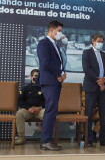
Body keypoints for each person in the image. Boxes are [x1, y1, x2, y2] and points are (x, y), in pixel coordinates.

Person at [36, 20, 67, 151]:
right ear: (51, 30)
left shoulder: (56, 45)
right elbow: (45, 62)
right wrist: (59, 72)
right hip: (49, 81)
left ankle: (47, 140)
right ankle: (45, 141)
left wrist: (61, 74)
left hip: (55, 81)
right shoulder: (44, 43)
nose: (61, 34)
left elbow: (58, 62)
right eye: (59, 31)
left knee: (52, 110)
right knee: (50, 110)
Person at [82, 33, 105, 147]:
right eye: (98, 41)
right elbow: (87, 69)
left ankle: (103, 139)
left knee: (104, 114)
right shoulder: (87, 53)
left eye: (102, 41)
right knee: (89, 113)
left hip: (103, 87)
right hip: (91, 87)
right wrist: (99, 81)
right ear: (93, 41)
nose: (100, 43)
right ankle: (89, 139)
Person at [15, 69, 45, 145]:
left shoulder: (44, 88)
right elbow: (19, 101)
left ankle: (45, 139)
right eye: (35, 76)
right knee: (19, 114)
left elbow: (47, 101)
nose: (37, 77)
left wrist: (40, 108)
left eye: (39, 76)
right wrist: (28, 108)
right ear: (31, 77)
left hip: (40, 110)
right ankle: (21, 138)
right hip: (28, 110)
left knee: (47, 114)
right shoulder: (25, 88)